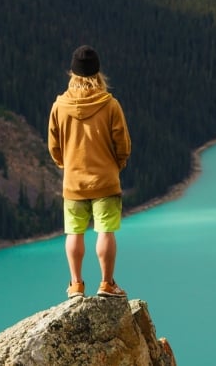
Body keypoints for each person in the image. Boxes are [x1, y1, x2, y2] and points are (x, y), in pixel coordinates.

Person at [48, 45, 132, 299]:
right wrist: (117, 164)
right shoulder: (109, 105)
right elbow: (123, 143)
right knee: (105, 231)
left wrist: (67, 166)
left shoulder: (59, 106)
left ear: (72, 74)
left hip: (74, 183)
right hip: (105, 180)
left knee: (74, 232)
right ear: (98, 74)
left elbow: (54, 145)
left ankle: (76, 284)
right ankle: (107, 284)